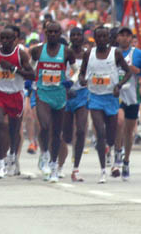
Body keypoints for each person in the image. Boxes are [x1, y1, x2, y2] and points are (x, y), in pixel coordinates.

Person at [79, 25, 133, 184]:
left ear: (109, 38)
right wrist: (82, 80)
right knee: (100, 133)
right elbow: (82, 73)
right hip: (95, 97)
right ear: (95, 39)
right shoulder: (89, 54)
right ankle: (103, 170)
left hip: (111, 98)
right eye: (99, 37)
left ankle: (113, 152)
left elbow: (128, 72)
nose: (102, 39)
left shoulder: (115, 53)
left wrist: (119, 85)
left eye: (105, 37)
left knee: (111, 134)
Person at [30, 21, 77, 183]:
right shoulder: (37, 51)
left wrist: (71, 82)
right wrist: (31, 81)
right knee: (45, 125)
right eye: (49, 32)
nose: (52, 35)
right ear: (45, 33)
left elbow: (77, 71)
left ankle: (54, 165)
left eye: (55, 32)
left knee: (57, 133)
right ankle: (44, 154)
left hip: (60, 95)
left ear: (60, 34)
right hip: (42, 93)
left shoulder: (67, 52)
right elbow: (31, 68)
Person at [0, 27, 34, 180]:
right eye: (3, 38)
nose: (6, 41)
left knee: (14, 130)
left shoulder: (20, 54)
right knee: (1, 124)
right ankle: (1, 163)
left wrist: (13, 69)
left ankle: (13, 155)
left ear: (15, 40)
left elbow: (32, 75)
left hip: (16, 95)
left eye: (9, 38)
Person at [114, 26, 141, 180]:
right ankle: (117, 151)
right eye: (121, 35)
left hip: (132, 97)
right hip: (116, 95)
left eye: (127, 35)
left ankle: (126, 160)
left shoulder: (138, 54)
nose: (124, 38)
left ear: (131, 38)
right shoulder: (112, 53)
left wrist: (138, 71)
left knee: (129, 132)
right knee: (119, 121)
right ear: (117, 38)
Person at [58, 27, 90, 182]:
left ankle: (76, 168)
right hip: (65, 95)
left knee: (82, 130)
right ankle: (59, 165)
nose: (76, 37)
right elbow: (57, 73)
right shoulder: (64, 53)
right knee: (66, 135)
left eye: (79, 35)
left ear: (83, 37)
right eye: (73, 35)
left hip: (82, 95)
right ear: (70, 37)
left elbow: (92, 73)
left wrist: (85, 81)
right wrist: (65, 88)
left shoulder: (88, 54)